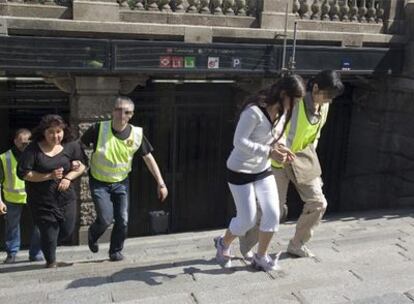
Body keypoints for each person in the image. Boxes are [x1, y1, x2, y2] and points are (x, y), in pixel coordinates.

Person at [239, 70, 344, 259]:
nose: (329, 100)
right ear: (315, 87)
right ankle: (243, 243)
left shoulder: (325, 107)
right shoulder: (296, 102)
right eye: (327, 95)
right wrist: (276, 149)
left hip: (302, 160)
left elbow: (315, 135)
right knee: (272, 211)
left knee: (318, 203)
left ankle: (297, 244)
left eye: (332, 97)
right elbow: (274, 126)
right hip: (277, 162)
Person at [214, 74, 306, 271]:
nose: (296, 105)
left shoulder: (283, 113)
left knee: (274, 213)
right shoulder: (254, 112)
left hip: (262, 170)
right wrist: (269, 152)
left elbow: (275, 138)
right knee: (247, 220)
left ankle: (261, 256)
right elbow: (239, 142)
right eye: (295, 99)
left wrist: (280, 147)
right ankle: (223, 242)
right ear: (283, 94)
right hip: (240, 170)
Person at [81, 96, 168, 262]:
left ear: (131, 115)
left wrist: (161, 183)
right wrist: (76, 163)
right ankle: (93, 234)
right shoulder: (98, 129)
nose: (122, 114)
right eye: (119, 110)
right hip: (99, 181)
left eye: (127, 112)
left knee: (123, 220)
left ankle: (115, 251)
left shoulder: (136, 134)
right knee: (106, 218)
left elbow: (149, 158)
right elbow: (79, 146)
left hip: (121, 182)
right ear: (113, 111)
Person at [17, 115, 86, 268]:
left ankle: (47, 242)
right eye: (51, 132)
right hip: (41, 200)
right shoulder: (33, 149)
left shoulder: (71, 145)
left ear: (63, 131)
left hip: (66, 198)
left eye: (59, 131)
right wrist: (49, 176)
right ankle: (51, 262)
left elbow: (81, 166)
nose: (55, 136)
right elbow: (23, 173)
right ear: (43, 132)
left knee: (67, 230)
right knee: (49, 233)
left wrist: (68, 178)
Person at [0, 129, 43, 263]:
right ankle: (12, 253)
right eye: (21, 142)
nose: (25, 145)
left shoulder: (36, 155)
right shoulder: (4, 158)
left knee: (39, 225)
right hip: (12, 198)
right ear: (15, 141)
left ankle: (36, 253)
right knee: (12, 227)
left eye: (27, 142)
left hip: (33, 196)